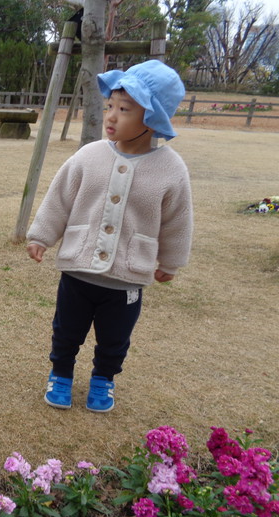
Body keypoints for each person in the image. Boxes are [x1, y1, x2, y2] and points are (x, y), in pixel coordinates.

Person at [26, 60, 192, 413]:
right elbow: (60, 198)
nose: (112, 117)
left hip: (128, 276)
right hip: (78, 269)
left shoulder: (172, 169)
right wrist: (41, 235)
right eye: (110, 107)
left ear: (152, 118)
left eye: (125, 109)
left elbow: (177, 220)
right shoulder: (89, 155)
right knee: (66, 330)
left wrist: (172, 262)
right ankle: (61, 374)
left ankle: (104, 379)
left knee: (115, 338)